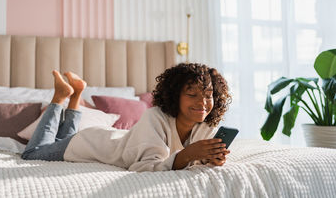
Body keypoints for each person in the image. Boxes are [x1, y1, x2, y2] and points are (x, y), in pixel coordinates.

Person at [21, 63, 232, 172]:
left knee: (58, 142)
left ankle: (76, 94)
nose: (202, 103)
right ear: (175, 95)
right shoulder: (154, 117)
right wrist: (187, 155)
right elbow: (144, 167)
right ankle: (59, 98)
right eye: (192, 94)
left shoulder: (203, 125)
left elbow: (195, 157)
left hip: (110, 137)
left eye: (207, 96)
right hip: (89, 144)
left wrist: (210, 157)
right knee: (32, 153)